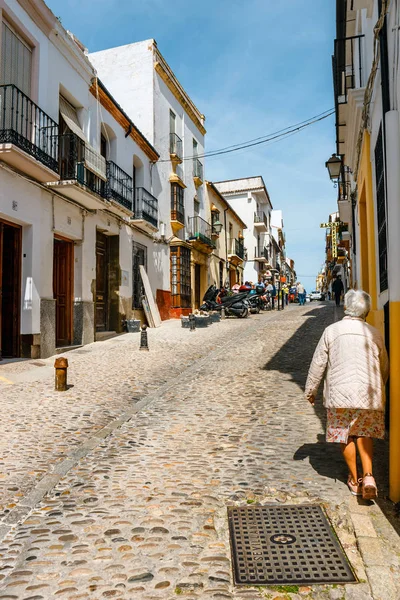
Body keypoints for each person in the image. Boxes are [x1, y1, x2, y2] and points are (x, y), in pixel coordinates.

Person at [305, 290, 389, 499]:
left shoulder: (331, 331)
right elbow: (384, 366)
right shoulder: (375, 333)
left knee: (345, 434)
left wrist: (311, 390)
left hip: (340, 394)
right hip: (368, 394)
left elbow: (318, 363)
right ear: (367, 311)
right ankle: (369, 476)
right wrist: (382, 386)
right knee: (364, 432)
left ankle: (355, 479)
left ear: (345, 307)